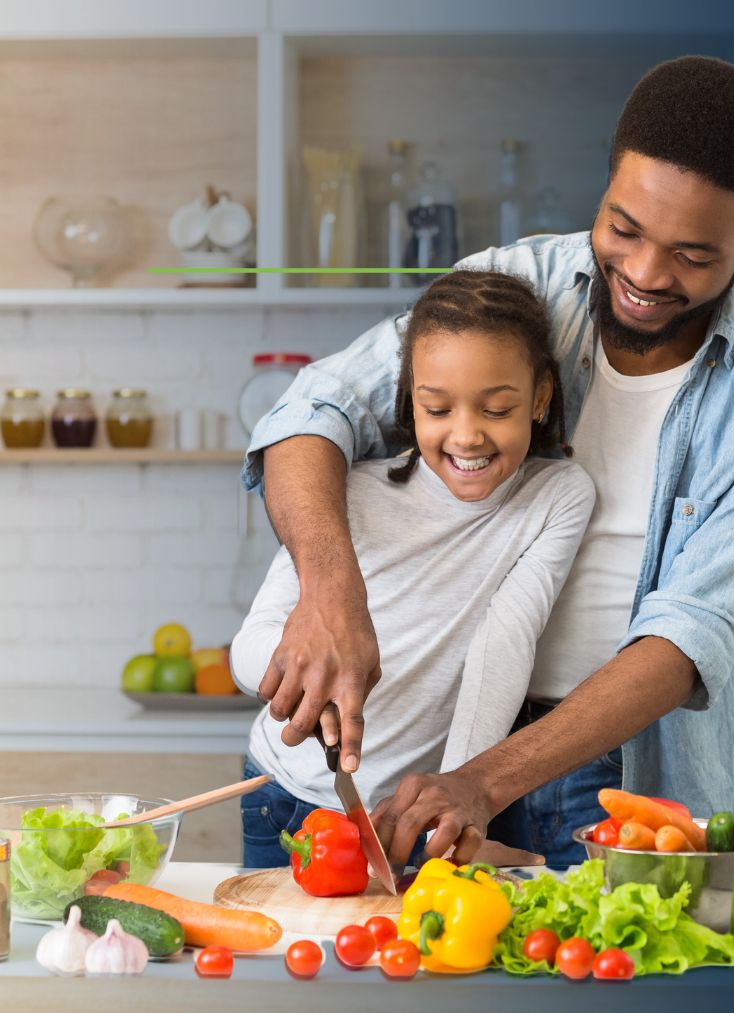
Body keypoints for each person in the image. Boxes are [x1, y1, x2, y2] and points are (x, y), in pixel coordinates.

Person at [239, 55, 734, 867]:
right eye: (624, 229)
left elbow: (686, 639)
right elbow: (313, 412)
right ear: (607, 183)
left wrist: (482, 779)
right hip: (441, 746)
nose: (644, 274)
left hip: (621, 782)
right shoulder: (514, 285)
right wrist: (329, 592)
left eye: (691, 255)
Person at [231, 271, 594, 867]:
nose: (467, 435)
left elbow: (505, 645)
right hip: (284, 797)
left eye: (497, 408)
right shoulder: (350, 491)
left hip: (407, 815)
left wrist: (460, 798)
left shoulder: (557, 497)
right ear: (409, 400)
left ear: (540, 397)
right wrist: (305, 681)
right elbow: (248, 649)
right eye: (437, 408)